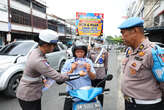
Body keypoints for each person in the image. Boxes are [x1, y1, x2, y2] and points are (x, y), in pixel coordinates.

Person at [16, 29, 84, 110]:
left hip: (29, 91)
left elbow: (37, 70)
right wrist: (78, 74)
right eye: (54, 45)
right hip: (28, 95)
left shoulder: (36, 51)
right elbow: (59, 78)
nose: (55, 47)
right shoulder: (38, 60)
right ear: (45, 45)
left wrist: (43, 78)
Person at [118, 17, 164, 110]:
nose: (122, 37)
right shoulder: (130, 51)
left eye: (123, 33)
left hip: (148, 106)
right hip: (130, 104)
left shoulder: (153, 51)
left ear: (135, 31)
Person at [61, 43, 96, 110]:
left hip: (85, 92)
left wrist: (88, 71)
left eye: (82, 52)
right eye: (77, 52)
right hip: (71, 93)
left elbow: (93, 77)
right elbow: (62, 77)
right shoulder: (69, 62)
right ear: (74, 52)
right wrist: (71, 69)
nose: (79, 54)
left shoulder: (88, 62)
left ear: (85, 52)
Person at [88, 38, 109, 106]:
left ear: (102, 43)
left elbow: (106, 64)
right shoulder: (90, 51)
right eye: (97, 42)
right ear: (94, 42)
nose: (98, 43)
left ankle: (100, 106)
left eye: (100, 42)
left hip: (101, 74)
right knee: (92, 92)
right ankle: (92, 106)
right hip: (92, 74)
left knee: (100, 92)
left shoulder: (104, 52)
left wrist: (105, 74)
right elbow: (87, 61)